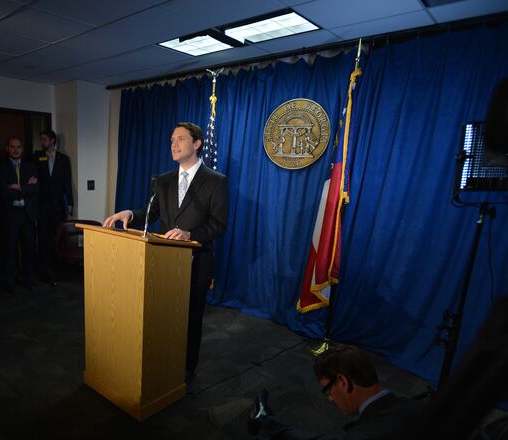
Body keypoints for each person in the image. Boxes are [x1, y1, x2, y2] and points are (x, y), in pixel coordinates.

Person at [103, 121, 228, 378]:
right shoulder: (163, 180)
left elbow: (218, 225)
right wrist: (130, 213)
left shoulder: (216, 181)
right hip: (165, 261)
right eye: (172, 140)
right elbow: (151, 212)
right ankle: (163, 362)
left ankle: (186, 370)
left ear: (196, 143)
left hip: (197, 263)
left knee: (190, 321)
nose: (174, 144)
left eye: (180, 139)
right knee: (165, 317)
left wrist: (189, 234)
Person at [249, 345, 425, 439]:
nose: (331, 399)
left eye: (327, 390)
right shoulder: (419, 407)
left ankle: (264, 424)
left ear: (343, 381)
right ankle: (266, 423)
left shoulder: (362, 435)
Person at [0, 136, 39, 291]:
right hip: (10, 214)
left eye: (18, 147)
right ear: (7, 148)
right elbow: (2, 191)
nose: (15, 150)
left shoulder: (31, 167)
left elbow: (36, 189)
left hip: (27, 214)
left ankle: (28, 279)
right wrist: (25, 187)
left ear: (22, 149)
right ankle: (9, 282)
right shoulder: (0, 167)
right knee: (10, 250)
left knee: (29, 249)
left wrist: (18, 188)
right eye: (12, 146)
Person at [35, 129, 73, 285]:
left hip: (58, 206)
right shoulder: (37, 158)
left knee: (59, 239)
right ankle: (45, 271)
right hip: (43, 206)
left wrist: (70, 203)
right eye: (41, 139)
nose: (42, 142)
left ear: (52, 140)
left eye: (44, 139)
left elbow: (67, 182)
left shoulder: (63, 159)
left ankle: (59, 271)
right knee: (44, 239)